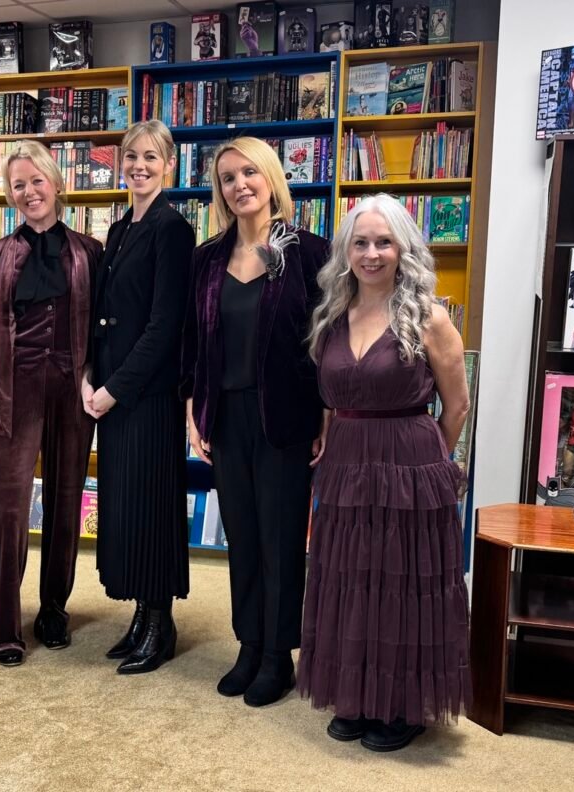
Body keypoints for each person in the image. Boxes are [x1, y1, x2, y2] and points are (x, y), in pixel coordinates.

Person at [298, 193, 472, 752]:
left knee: (401, 583)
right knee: (350, 578)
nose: (371, 254)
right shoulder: (331, 316)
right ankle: (354, 695)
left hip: (410, 464)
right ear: (346, 251)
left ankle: (401, 706)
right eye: (361, 243)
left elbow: (457, 405)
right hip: (346, 463)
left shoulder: (430, 317)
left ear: (403, 249)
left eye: (383, 242)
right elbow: (332, 396)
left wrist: (425, 468)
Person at [181, 136, 328, 706]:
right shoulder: (206, 259)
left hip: (286, 415)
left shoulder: (309, 253)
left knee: (281, 537)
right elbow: (194, 343)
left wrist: (326, 411)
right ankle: (248, 644)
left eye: (249, 173)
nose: (239, 184)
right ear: (219, 191)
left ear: (270, 178)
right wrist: (194, 409)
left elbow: (326, 339)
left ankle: (277, 656)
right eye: (227, 178)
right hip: (225, 415)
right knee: (241, 535)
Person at [0, 140, 102, 667]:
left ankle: (54, 610)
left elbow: (101, 331)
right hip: (11, 394)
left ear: (57, 184)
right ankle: (6, 625)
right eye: (18, 185)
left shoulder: (89, 252)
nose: (28, 192)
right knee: (7, 510)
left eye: (36, 181)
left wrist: (93, 380)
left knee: (67, 500)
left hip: (71, 393)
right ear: (10, 195)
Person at [83, 120, 195, 674]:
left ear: (169, 164)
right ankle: (140, 617)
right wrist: (88, 375)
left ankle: (160, 624)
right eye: (131, 157)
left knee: (151, 507)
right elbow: (102, 312)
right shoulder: (120, 226)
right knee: (125, 507)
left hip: (146, 394)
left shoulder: (173, 229)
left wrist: (113, 389)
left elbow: (164, 325)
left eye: (151, 157)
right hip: (110, 389)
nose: (139, 166)